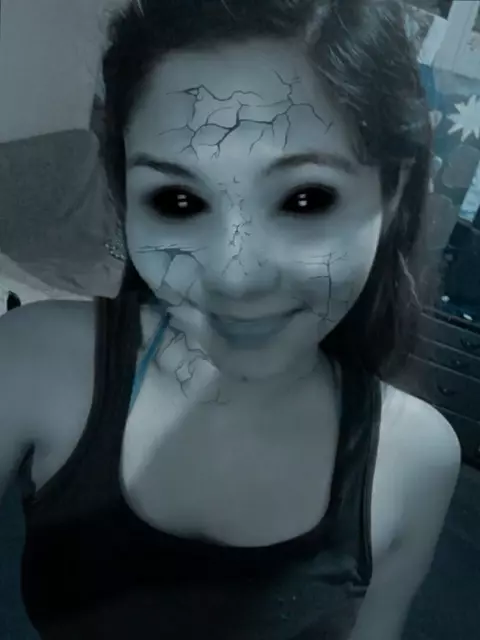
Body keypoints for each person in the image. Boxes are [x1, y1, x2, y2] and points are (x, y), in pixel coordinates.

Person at [0, 0, 461, 638]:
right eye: (177, 199)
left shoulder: (415, 459)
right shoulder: (34, 364)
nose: (235, 278)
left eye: (305, 199)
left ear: (393, 191)